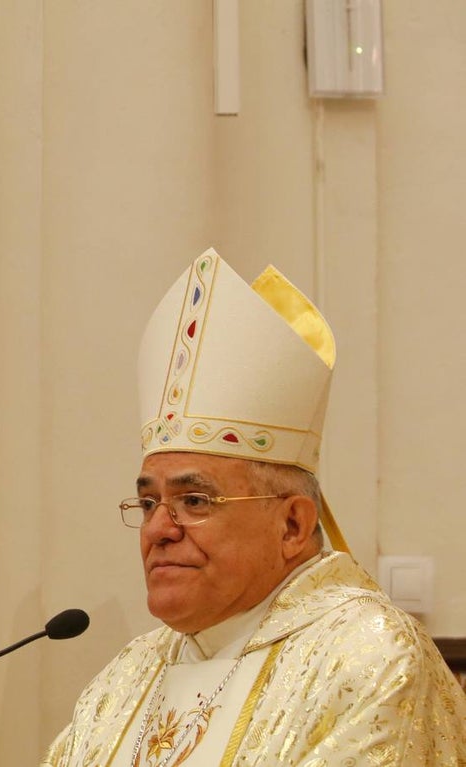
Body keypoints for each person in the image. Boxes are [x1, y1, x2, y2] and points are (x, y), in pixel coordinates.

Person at [41, 249, 466, 766]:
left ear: (292, 524)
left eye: (193, 500)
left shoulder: (368, 657)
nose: (158, 528)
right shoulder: (131, 673)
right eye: (149, 501)